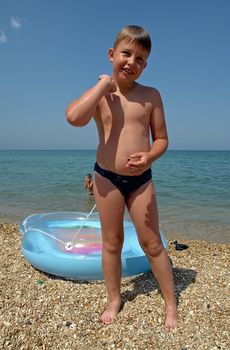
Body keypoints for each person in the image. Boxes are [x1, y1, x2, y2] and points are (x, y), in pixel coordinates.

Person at [66, 25, 178, 330]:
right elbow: (74, 117)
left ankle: (170, 304)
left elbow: (163, 139)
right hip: (106, 178)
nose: (132, 62)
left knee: (152, 243)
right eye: (126, 54)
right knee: (111, 242)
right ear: (112, 55)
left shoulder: (151, 96)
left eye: (140, 58)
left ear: (145, 65)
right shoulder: (101, 93)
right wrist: (103, 87)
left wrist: (150, 156)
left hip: (141, 180)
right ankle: (114, 299)